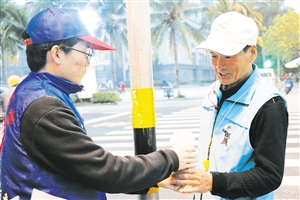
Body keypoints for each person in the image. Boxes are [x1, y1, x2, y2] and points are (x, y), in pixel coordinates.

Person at [0, 7, 197, 199]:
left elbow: (80, 169)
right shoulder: (44, 107)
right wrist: (172, 158)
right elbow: (104, 170)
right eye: (86, 54)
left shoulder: (31, 91)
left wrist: (155, 179)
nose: (88, 63)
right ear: (57, 53)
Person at [169, 11, 289, 199]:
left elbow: (270, 176)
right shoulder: (212, 92)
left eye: (228, 56)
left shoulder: (269, 104)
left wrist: (212, 182)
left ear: (252, 52)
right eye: (214, 56)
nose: (219, 66)